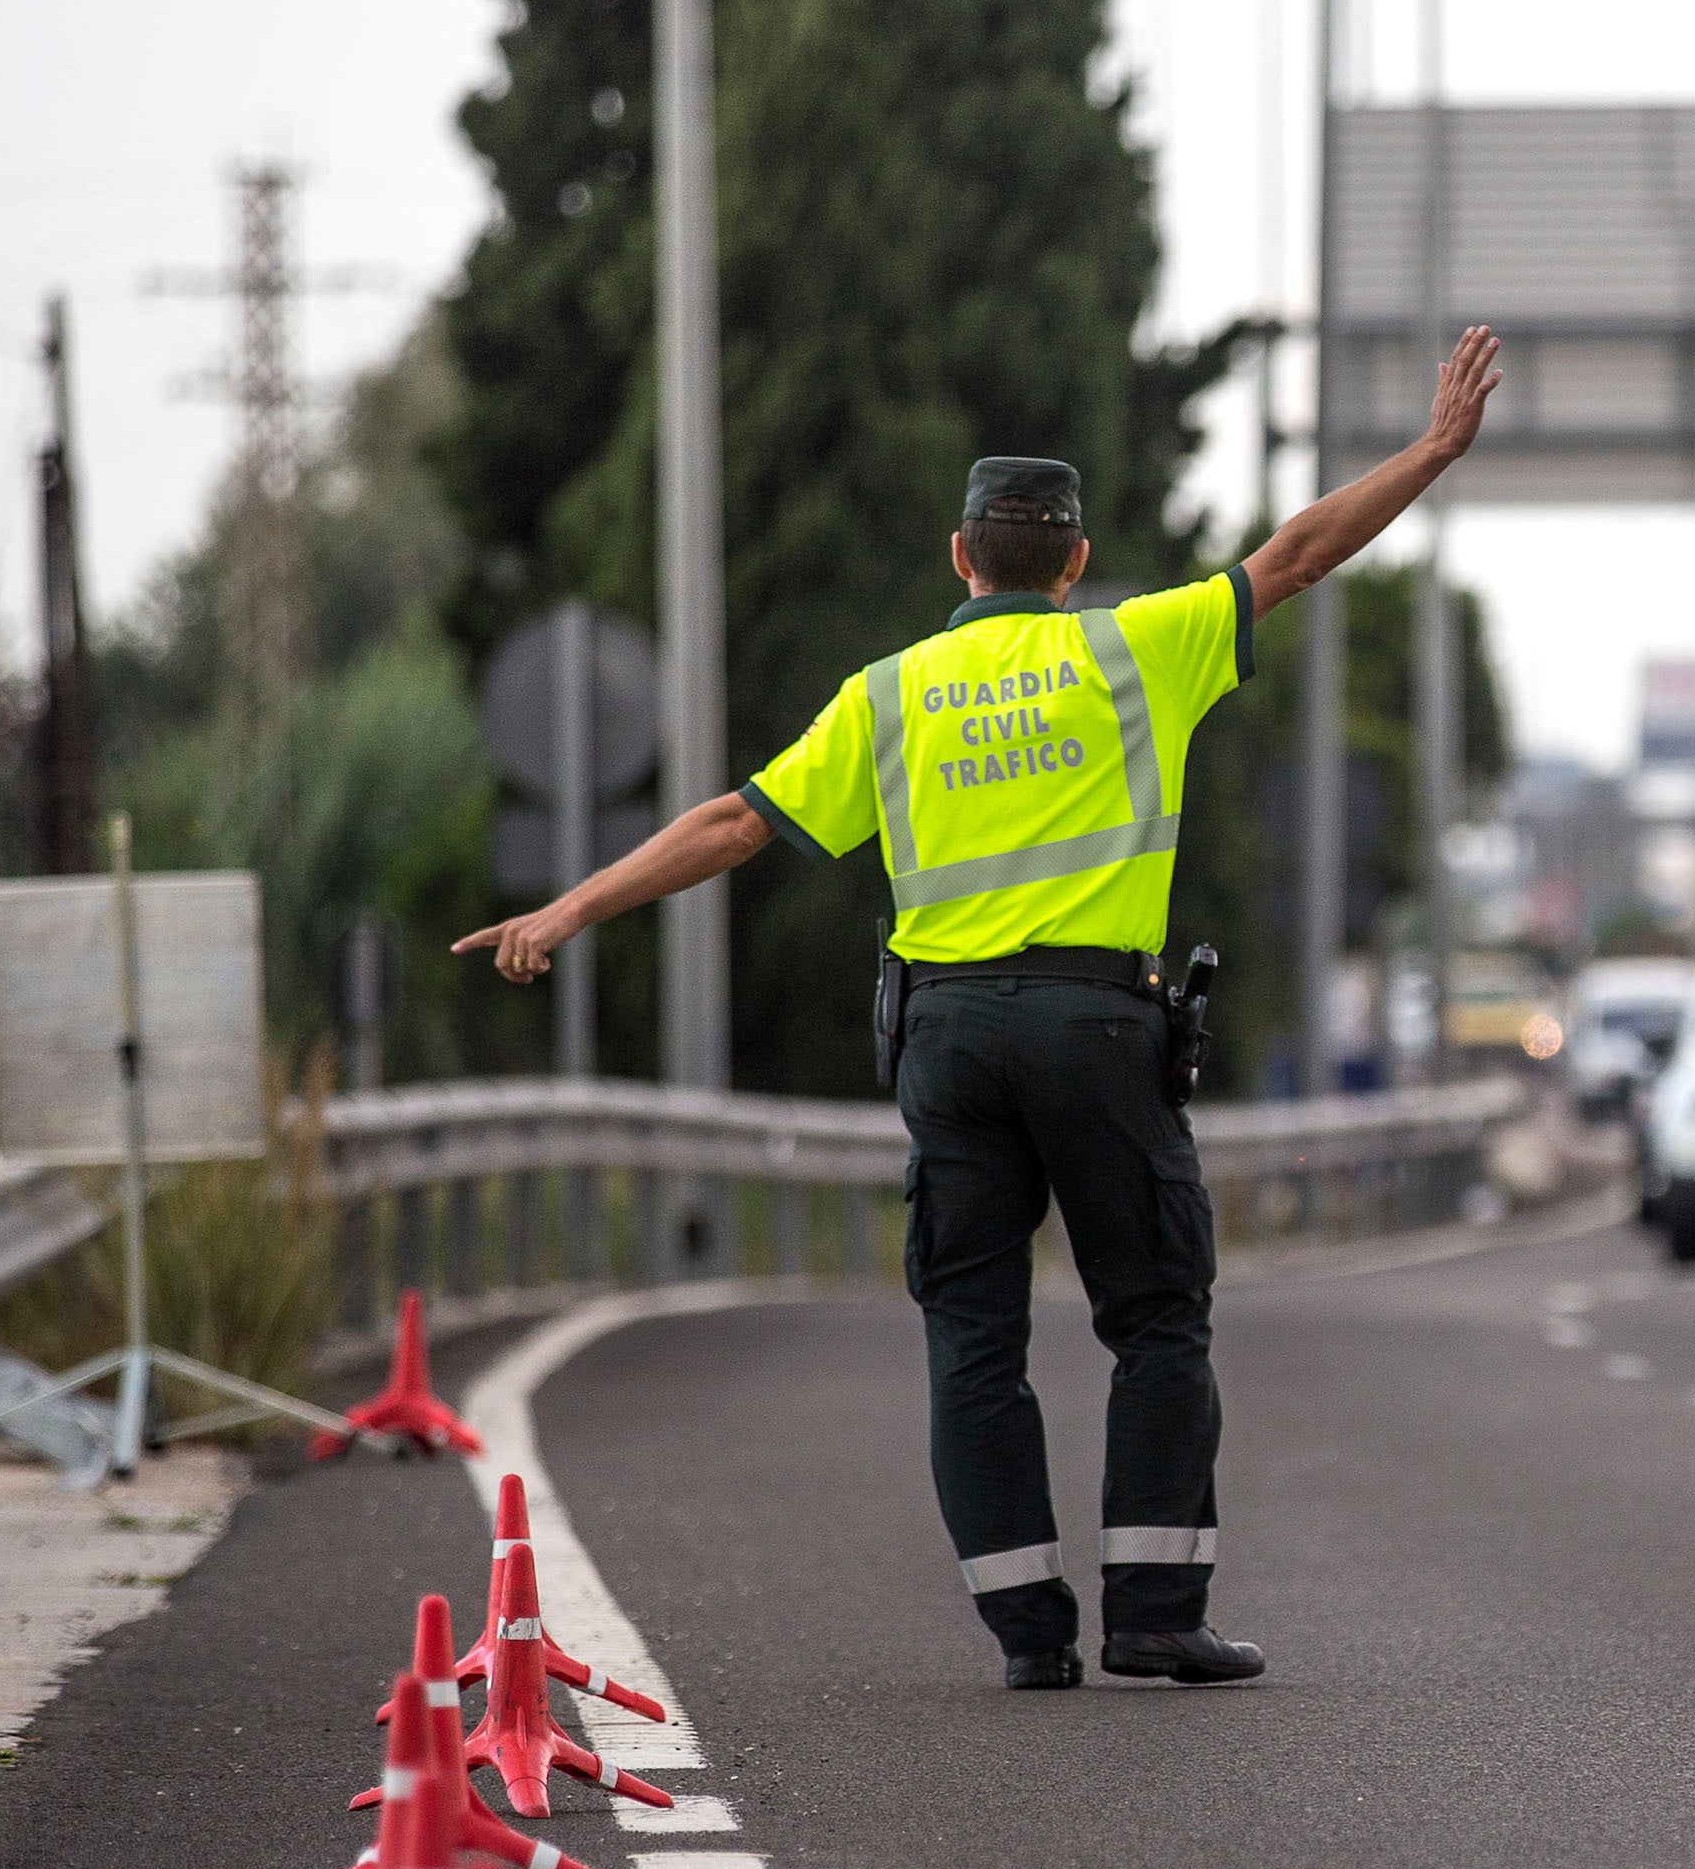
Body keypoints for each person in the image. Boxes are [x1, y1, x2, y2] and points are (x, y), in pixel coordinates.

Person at [456, 325, 1505, 1690]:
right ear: (1073, 561)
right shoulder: (1143, 648)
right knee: (1156, 1314)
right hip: (1096, 1030)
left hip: (948, 1041)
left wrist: (569, 909)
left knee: (972, 1334)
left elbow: (732, 822)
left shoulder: (887, 695)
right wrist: (1430, 452)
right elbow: (1298, 552)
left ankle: (1029, 1632)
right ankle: (1152, 1612)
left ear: (960, 557)